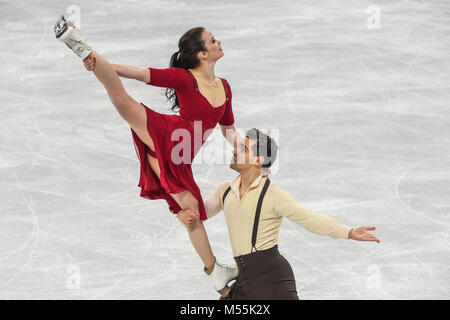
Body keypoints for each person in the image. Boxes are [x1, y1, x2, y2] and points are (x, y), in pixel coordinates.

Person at [54, 15, 241, 295]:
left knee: (191, 214)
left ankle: (216, 275)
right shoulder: (184, 79)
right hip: (166, 133)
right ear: (203, 53)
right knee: (121, 99)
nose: (219, 42)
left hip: (179, 158)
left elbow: (228, 129)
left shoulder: (224, 88)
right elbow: (142, 74)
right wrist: (99, 64)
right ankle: (83, 48)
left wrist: (244, 148)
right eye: (213, 40)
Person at [178, 128, 380, 299]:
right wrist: (184, 214)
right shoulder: (225, 190)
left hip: (272, 280)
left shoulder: (273, 195)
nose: (234, 150)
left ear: (258, 160)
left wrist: (349, 231)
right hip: (244, 279)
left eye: (243, 149)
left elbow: (309, 218)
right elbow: (199, 215)